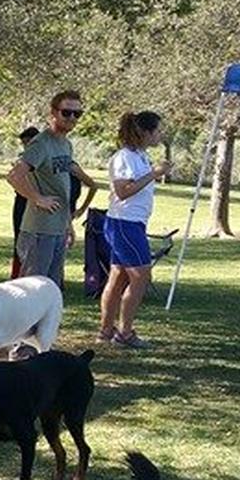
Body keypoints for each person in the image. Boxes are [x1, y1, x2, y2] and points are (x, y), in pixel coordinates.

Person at [6, 90, 99, 291]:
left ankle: (43, 324)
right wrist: (37, 198)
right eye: (66, 112)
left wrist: (68, 223)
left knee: (50, 290)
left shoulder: (65, 144)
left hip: (58, 228)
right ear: (53, 113)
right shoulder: (41, 143)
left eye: (77, 114)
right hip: (39, 230)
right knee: (30, 289)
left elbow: (61, 186)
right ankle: (22, 324)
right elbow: (14, 176)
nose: (72, 118)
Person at [97, 111, 171, 349]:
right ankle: (124, 333)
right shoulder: (124, 157)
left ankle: (106, 331)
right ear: (145, 132)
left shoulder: (140, 156)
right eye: (158, 130)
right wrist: (154, 174)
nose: (161, 134)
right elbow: (123, 191)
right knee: (141, 277)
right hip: (124, 224)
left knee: (118, 277)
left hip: (133, 223)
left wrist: (153, 172)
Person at [9, 126, 39, 278]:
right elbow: (13, 178)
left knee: (36, 242)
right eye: (24, 143)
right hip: (22, 202)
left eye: (29, 143)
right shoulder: (23, 160)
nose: (26, 146)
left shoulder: (41, 158)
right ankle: (17, 275)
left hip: (37, 204)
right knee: (20, 240)